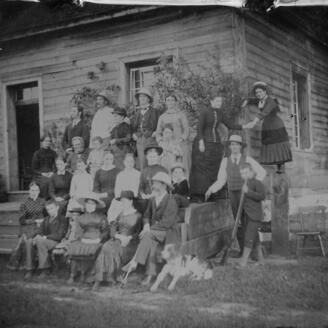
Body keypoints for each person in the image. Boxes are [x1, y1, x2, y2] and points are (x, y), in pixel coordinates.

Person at [205, 134, 266, 256]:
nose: (234, 147)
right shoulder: (225, 161)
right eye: (232, 145)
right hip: (233, 194)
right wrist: (211, 189)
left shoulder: (247, 160)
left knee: (249, 221)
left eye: (236, 144)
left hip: (247, 195)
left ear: (240, 147)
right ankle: (243, 250)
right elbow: (221, 180)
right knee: (238, 222)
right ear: (229, 147)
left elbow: (262, 172)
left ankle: (255, 252)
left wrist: (252, 185)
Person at [123, 172, 179, 287]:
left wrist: (149, 229)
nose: (153, 186)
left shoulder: (171, 201)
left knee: (147, 236)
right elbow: (146, 215)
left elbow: (166, 223)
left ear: (164, 186)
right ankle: (150, 275)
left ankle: (134, 263)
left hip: (168, 233)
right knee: (151, 245)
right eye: (153, 183)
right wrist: (146, 225)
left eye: (156, 183)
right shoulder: (153, 199)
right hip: (154, 233)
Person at [189, 95, 249, 202]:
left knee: (215, 168)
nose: (219, 103)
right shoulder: (205, 112)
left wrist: (245, 126)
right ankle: (199, 195)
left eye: (220, 101)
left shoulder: (220, 113)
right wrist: (201, 142)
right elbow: (200, 128)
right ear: (211, 101)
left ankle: (212, 193)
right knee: (202, 170)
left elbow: (230, 125)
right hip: (203, 143)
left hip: (215, 144)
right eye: (217, 101)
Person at [93, 190, 142, 290]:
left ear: (131, 201)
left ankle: (111, 279)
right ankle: (99, 279)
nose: (123, 203)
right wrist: (118, 236)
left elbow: (138, 233)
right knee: (105, 247)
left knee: (115, 251)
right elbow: (113, 228)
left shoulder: (138, 215)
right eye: (122, 201)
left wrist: (129, 237)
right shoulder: (121, 214)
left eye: (125, 201)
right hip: (117, 238)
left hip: (130, 242)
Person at [242, 81, 292, 173]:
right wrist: (247, 101)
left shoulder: (271, 101)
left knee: (277, 144)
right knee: (270, 144)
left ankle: (281, 167)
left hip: (276, 125)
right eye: (257, 92)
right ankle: (273, 168)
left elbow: (265, 112)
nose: (258, 94)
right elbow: (253, 100)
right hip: (267, 126)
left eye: (260, 92)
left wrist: (254, 122)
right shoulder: (260, 100)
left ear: (265, 92)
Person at [66, 193, 108, 283]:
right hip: (84, 239)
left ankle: (90, 274)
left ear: (96, 205)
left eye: (92, 204)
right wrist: (82, 239)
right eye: (88, 203)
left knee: (97, 249)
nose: (90, 206)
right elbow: (78, 231)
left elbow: (105, 231)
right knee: (74, 247)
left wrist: (99, 239)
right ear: (85, 204)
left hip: (97, 239)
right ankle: (73, 274)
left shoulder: (102, 217)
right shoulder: (80, 218)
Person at [7, 182, 45, 276]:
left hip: (41, 227)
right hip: (28, 227)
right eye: (32, 190)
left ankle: (43, 268)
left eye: (36, 190)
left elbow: (47, 215)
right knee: (28, 241)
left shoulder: (43, 202)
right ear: (29, 191)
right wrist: (34, 221)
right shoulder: (24, 203)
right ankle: (29, 269)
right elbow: (22, 220)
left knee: (38, 240)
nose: (34, 192)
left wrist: (42, 221)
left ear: (39, 191)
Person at [237, 163, 266, 267]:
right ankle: (261, 261)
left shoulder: (257, 183)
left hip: (255, 215)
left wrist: (248, 192)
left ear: (251, 172)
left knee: (248, 237)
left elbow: (262, 196)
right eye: (241, 173)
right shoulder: (245, 184)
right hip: (247, 215)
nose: (243, 175)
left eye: (245, 172)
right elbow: (243, 202)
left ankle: (243, 262)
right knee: (256, 239)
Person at [31, 200, 67, 278]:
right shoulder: (46, 219)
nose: (50, 211)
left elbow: (59, 235)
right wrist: (34, 236)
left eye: (52, 208)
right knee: (31, 240)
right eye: (48, 209)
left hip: (56, 242)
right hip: (45, 241)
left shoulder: (62, 219)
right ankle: (31, 268)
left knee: (39, 240)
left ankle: (45, 269)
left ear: (57, 208)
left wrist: (45, 237)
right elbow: (40, 231)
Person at [155, 93, 190, 174]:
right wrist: (160, 142)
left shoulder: (181, 115)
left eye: (172, 100)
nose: (170, 102)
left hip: (180, 144)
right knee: (167, 169)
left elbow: (186, 129)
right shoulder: (162, 116)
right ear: (165, 102)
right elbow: (158, 132)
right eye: (168, 100)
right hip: (167, 147)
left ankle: (184, 185)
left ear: (175, 102)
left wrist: (182, 139)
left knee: (183, 168)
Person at [131, 88, 159, 170]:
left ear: (148, 99)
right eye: (140, 97)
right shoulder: (137, 113)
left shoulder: (154, 111)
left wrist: (156, 132)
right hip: (140, 140)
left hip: (150, 139)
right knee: (142, 163)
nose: (142, 98)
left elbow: (159, 125)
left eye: (144, 97)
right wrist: (134, 134)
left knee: (152, 161)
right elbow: (133, 127)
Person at [138, 142, 168, 213]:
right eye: (150, 156)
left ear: (158, 157)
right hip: (146, 200)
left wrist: (156, 194)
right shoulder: (144, 171)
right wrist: (143, 195)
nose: (152, 158)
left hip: (159, 198)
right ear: (147, 157)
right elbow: (140, 188)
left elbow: (167, 187)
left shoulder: (163, 170)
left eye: (154, 156)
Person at [31, 135, 56, 199]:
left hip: (51, 173)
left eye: (49, 141)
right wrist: (42, 173)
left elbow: (55, 165)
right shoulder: (37, 153)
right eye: (46, 141)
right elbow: (34, 168)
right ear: (42, 142)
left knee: (51, 180)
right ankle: (43, 200)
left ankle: (51, 200)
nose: (48, 143)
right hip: (39, 175)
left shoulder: (53, 153)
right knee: (45, 182)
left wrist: (52, 172)